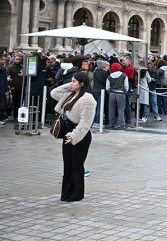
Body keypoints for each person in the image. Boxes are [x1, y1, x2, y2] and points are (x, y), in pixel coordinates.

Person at [50, 72, 97, 202]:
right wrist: (70, 85)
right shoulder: (69, 94)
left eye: (74, 81)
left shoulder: (88, 99)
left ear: (82, 84)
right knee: (67, 164)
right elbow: (54, 93)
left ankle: (77, 194)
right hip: (67, 132)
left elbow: (85, 122)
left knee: (76, 164)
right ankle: (66, 193)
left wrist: (75, 135)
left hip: (79, 134)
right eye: (71, 80)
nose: (71, 83)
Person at [106, 62, 129, 129]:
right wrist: (124, 91)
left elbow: (107, 88)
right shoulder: (124, 76)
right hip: (121, 93)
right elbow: (126, 87)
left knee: (111, 109)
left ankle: (111, 123)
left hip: (112, 94)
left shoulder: (109, 76)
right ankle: (121, 124)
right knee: (121, 109)